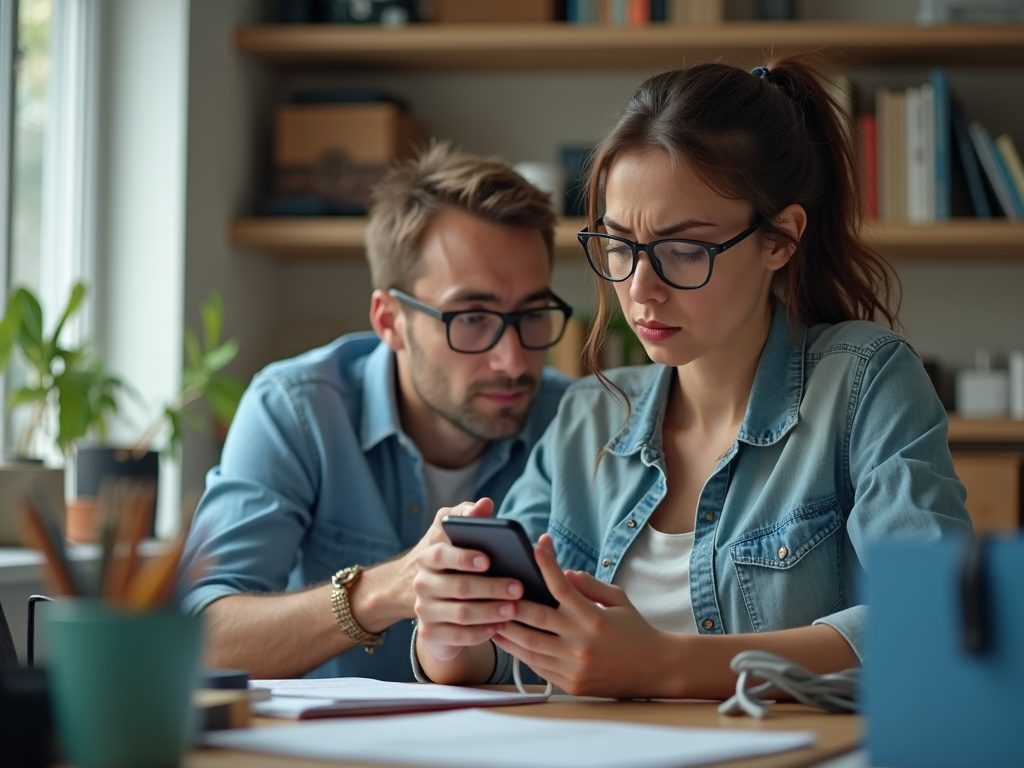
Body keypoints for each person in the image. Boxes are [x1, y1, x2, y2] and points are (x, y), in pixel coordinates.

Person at [410, 57, 974, 698]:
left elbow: (936, 618)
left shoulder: (864, 381)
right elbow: (511, 657)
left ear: (780, 240)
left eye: (684, 250)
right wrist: (450, 633)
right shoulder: (587, 416)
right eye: (619, 246)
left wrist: (666, 666)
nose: (640, 289)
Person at [180, 143, 573, 680]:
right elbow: (200, 637)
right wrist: (387, 590)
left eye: (532, 314)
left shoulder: (575, 422)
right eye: (472, 318)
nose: (512, 359)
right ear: (390, 321)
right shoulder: (297, 411)